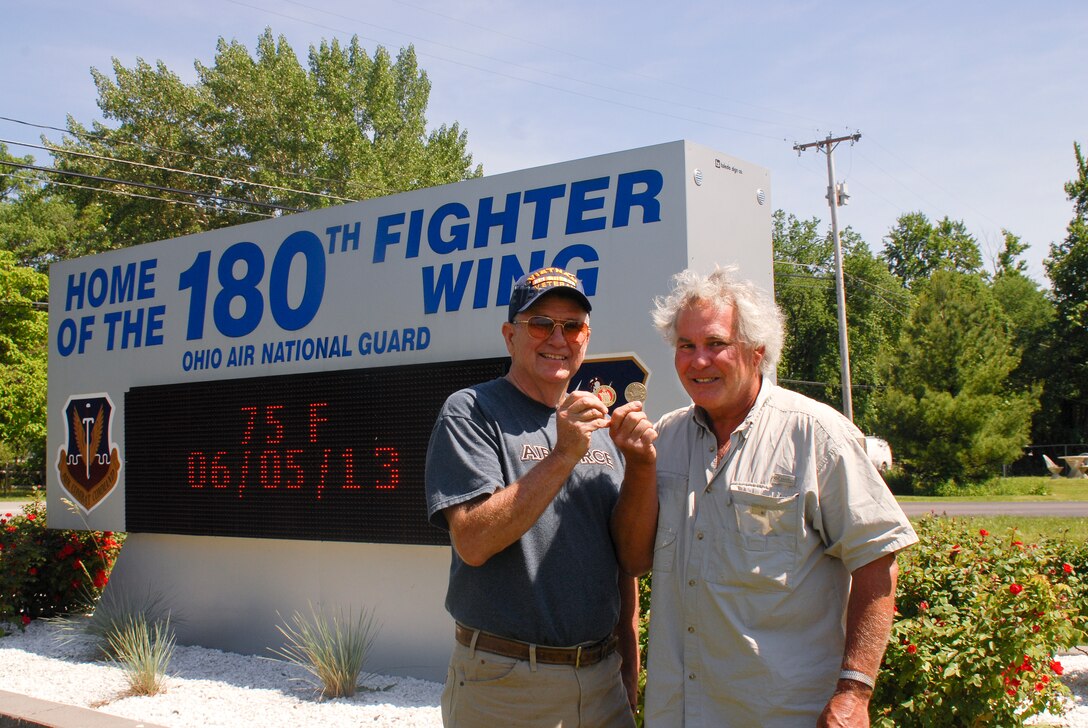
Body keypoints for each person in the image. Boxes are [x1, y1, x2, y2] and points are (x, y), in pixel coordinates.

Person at [615, 266, 918, 727]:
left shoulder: (816, 435)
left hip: (781, 714)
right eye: (686, 346)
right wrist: (639, 466)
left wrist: (855, 692)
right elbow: (634, 560)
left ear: (757, 352)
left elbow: (877, 561)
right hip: (678, 713)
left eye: (716, 344)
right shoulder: (665, 440)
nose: (699, 361)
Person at [425, 266, 658, 728]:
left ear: (586, 337)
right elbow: (472, 542)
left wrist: (642, 468)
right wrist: (563, 454)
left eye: (572, 325)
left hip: (601, 681)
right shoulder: (471, 411)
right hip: (506, 685)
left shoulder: (600, 425)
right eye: (541, 324)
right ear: (510, 336)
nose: (558, 337)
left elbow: (626, 563)